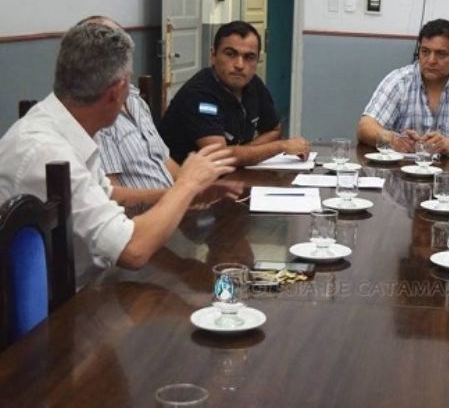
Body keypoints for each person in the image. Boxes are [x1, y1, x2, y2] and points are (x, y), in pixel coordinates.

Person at [0, 22, 240, 285]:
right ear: (116, 93)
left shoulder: (68, 125)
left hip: (91, 282)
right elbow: (133, 251)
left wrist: (190, 195)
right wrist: (186, 184)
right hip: (67, 302)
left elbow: (106, 196)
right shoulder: (47, 151)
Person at [159, 21, 310, 166]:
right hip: (182, 179)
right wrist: (281, 146)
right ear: (213, 55)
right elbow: (220, 156)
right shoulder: (199, 94)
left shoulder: (252, 83)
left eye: (249, 57)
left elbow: (274, 130)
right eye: (230, 54)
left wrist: (242, 153)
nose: (239, 65)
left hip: (229, 175)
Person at [356, 18, 449, 155]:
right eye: (425, 52)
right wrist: (393, 140)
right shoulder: (400, 80)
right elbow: (365, 127)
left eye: (441, 54)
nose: (431, 61)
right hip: (405, 167)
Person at [80, 16, 179, 194]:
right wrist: (179, 195)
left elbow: (165, 161)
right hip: (149, 209)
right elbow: (112, 194)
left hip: (173, 200)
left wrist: (198, 189)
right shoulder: (97, 116)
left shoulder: (135, 99)